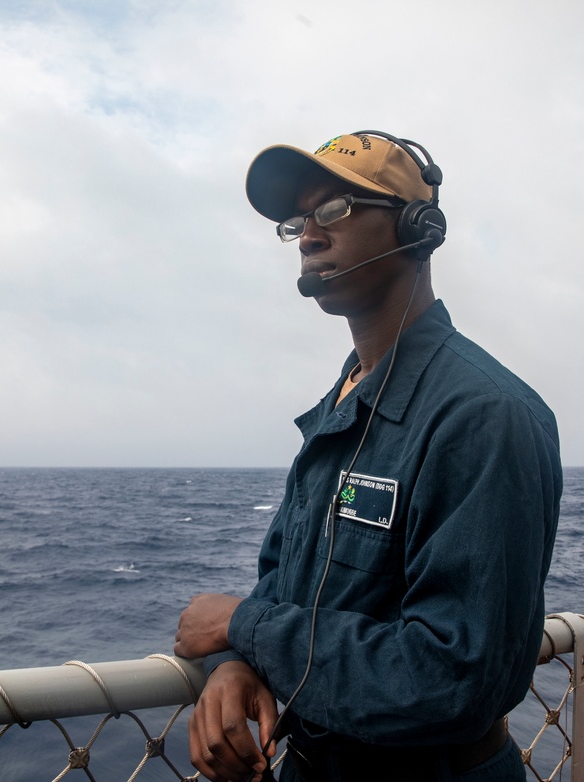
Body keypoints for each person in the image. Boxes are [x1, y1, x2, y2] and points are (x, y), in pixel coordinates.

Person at [174, 130, 562, 782]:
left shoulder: (484, 415)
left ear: (418, 226)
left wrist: (246, 625)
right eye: (299, 221)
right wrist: (236, 663)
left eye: (335, 209)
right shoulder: (340, 407)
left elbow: (453, 678)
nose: (307, 235)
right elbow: (283, 583)